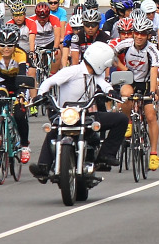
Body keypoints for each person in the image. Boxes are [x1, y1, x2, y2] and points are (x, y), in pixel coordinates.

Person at [29, 42, 128, 180]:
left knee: (121, 119)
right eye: (105, 64)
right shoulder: (72, 71)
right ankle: (43, 167)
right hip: (66, 113)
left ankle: (105, 155)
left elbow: (105, 85)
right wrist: (40, 95)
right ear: (99, 61)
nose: (106, 67)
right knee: (54, 129)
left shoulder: (95, 75)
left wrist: (112, 92)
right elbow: (49, 82)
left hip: (86, 115)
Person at [113, 18, 159, 171]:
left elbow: (154, 72)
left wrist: (153, 92)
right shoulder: (125, 44)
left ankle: (153, 153)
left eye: (142, 34)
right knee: (125, 95)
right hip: (130, 80)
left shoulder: (152, 50)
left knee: (151, 115)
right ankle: (128, 122)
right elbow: (111, 56)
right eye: (136, 33)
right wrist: (122, 68)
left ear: (148, 35)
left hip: (146, 83)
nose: (139, 36)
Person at [0, 26, 31, 164]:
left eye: (10, 46)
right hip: (1, 82)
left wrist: (21, 93)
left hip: (18, 83)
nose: (6, 49)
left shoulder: (20, 54)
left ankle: (24, 145)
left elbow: (23, 74)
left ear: (15, 44)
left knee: (19, 114)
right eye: (2, 45)